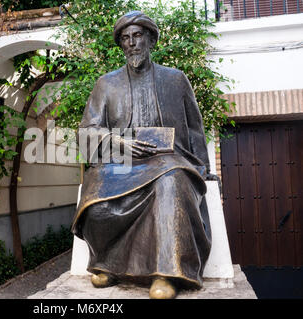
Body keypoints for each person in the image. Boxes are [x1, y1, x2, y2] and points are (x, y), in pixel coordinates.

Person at [72, 11, 215, 299]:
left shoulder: (176, 80)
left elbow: (195, 128)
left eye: (137, 36)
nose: (132, 43)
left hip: (168, 158)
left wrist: (203, 167)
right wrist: (118, 142)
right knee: (96, 198)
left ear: (150, 39)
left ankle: (167, 272)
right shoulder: (106, 84)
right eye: (125, 39)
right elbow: (86, 132)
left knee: (171, 182)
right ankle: (108, 263)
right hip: (120, 161)